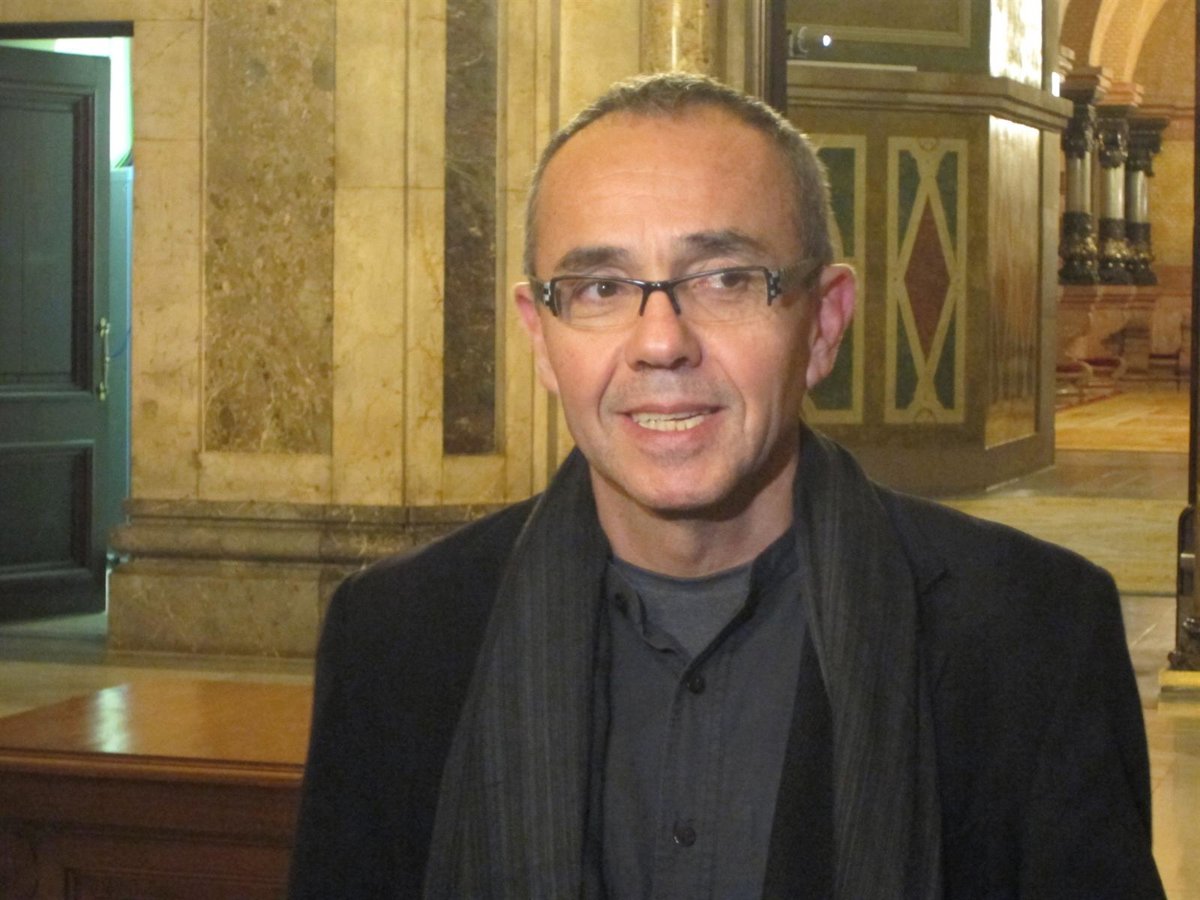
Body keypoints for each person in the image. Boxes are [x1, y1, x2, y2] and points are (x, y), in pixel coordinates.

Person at [289, 73, 1164, 899]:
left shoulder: (1035, 637)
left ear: (824, 323)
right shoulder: (397, 641)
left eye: (725, 280)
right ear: (540, 336)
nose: (660, 343)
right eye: (600, 288)